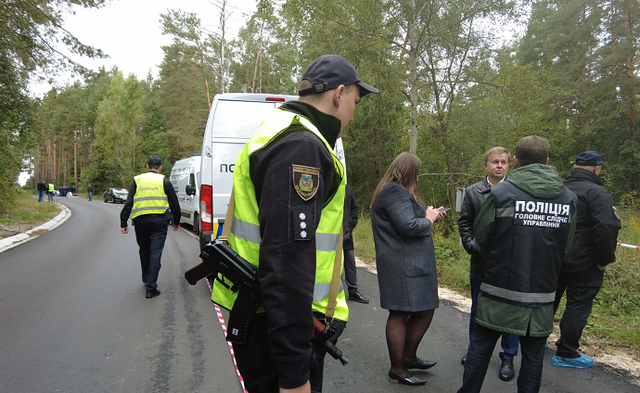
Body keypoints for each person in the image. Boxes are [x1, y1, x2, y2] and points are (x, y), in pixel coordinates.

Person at [209, 54, 378, 393]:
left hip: (269, 321)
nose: (353, 115)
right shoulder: (301, 147)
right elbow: (287, 261)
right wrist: (293, 374)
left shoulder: (283, 132)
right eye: (355, 103)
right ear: (339, 94)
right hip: (275, 331)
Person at [458, 136, 578, 393]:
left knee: (479, 350)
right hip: (542, 295)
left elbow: (482, 235)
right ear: (546, 161)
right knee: (534, 358)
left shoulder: (501, 193)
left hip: (498, 290)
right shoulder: (569, 199)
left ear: (515, 161)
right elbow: (566, 246)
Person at [371, 152, 445, 386]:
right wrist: (429, 220)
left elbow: (409, 221)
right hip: (403, 265)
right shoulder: (394, 192)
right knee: (400, 313)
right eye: (417, 172)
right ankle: (398, 369)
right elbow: (408, 226)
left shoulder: (394, 192)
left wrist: (429, 216)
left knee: (424, 309)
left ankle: (409, 357)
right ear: (410, 171)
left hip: (409, 264)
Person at [552, 151, 621, 368]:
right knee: (578, 304)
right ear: (597, 169)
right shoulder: (598, 193)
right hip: (584, 262)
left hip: (553, 257)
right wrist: (604, 259)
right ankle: (566, 352)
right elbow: (607, 227)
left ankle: (537, 339)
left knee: (548, 299)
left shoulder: (557, 188)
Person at [458, 147, 519, 381]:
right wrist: (473, 247)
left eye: (504, 162)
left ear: (509, 165)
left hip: (510, 265)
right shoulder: (474, 193)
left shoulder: (518, 191)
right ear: (485, 165)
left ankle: (508, 357)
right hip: (481, 264)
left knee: (510, 312)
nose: (500, 166)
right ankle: (476, 352)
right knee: (478, 309)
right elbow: (465, 223)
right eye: (495, 162)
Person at [120, 155, 181, 299]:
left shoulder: (138, 180)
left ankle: (146, 278)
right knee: (156, 253)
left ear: (147, 166)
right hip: (159, 222)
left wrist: (123, 222)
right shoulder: (164, 181)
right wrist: (176, 221)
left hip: (140, 221)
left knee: (144, 250)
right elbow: (174, 203)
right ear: (160, 168)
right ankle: (151, 287)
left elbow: (129, 202)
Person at [343, 184, 368, 303]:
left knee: (350, 263)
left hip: (346, 233)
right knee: (332, 265)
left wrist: (351, 223)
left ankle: (353, 291)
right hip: (331, 234)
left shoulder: (347, 189)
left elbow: (354, 208)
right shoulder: (327, 185)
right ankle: (333, 293)